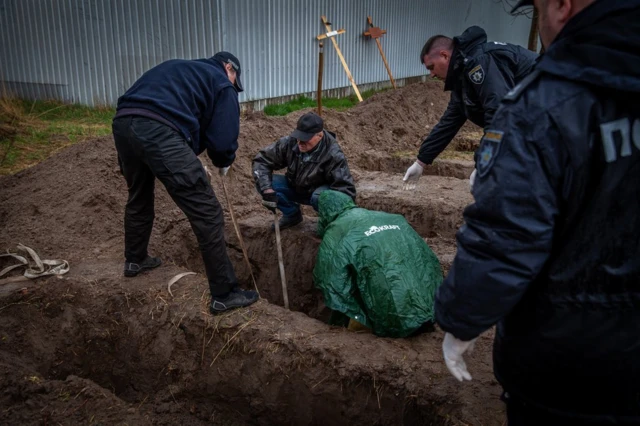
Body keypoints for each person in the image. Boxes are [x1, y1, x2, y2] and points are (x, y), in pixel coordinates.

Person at [434, 0, 640, 424]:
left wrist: (461, 320)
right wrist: (423, 158)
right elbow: (455, 116)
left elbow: (505, 236)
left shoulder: (546, 103)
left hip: (565, 372)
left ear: (562, 6)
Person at [112, 51, 258, 313]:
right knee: (207, 211)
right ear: (229, 68)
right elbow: (223, 141)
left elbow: (189, 124)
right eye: (235, 79)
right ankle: (224, 294)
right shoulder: (222, 82)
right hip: (158, 129)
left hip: (124, 123)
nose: (234, 86)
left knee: (139, 194)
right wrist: (223, 160)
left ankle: (135, 260)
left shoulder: (185, 71)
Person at [402, 25, 538, 190]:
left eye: (431, 67)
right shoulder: (463, 76)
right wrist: (421, 162)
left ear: (444, 56)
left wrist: (482, 162)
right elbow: (449, 123)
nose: (431, 74)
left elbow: (498, 114)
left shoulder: (480, 63)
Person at [312, 190, 442, 338]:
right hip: (431, 306)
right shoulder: (393, 218)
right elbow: (429, 260)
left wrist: (352, 314)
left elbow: (330, 281)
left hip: (391, 319)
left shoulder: (335, 232)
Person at [252, 112, 356, 230]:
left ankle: (329, 223)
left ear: (320, 136)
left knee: (321, 197)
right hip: (296, 187)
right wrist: (267, 189)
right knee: (265, 182)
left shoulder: (333, 154)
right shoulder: (289, 143)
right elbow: (261, 161)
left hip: (318, 194)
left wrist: (340, 216)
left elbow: (345, 191)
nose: (299, 142)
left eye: (305, 138)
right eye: (299, 136)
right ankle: (292, 215)